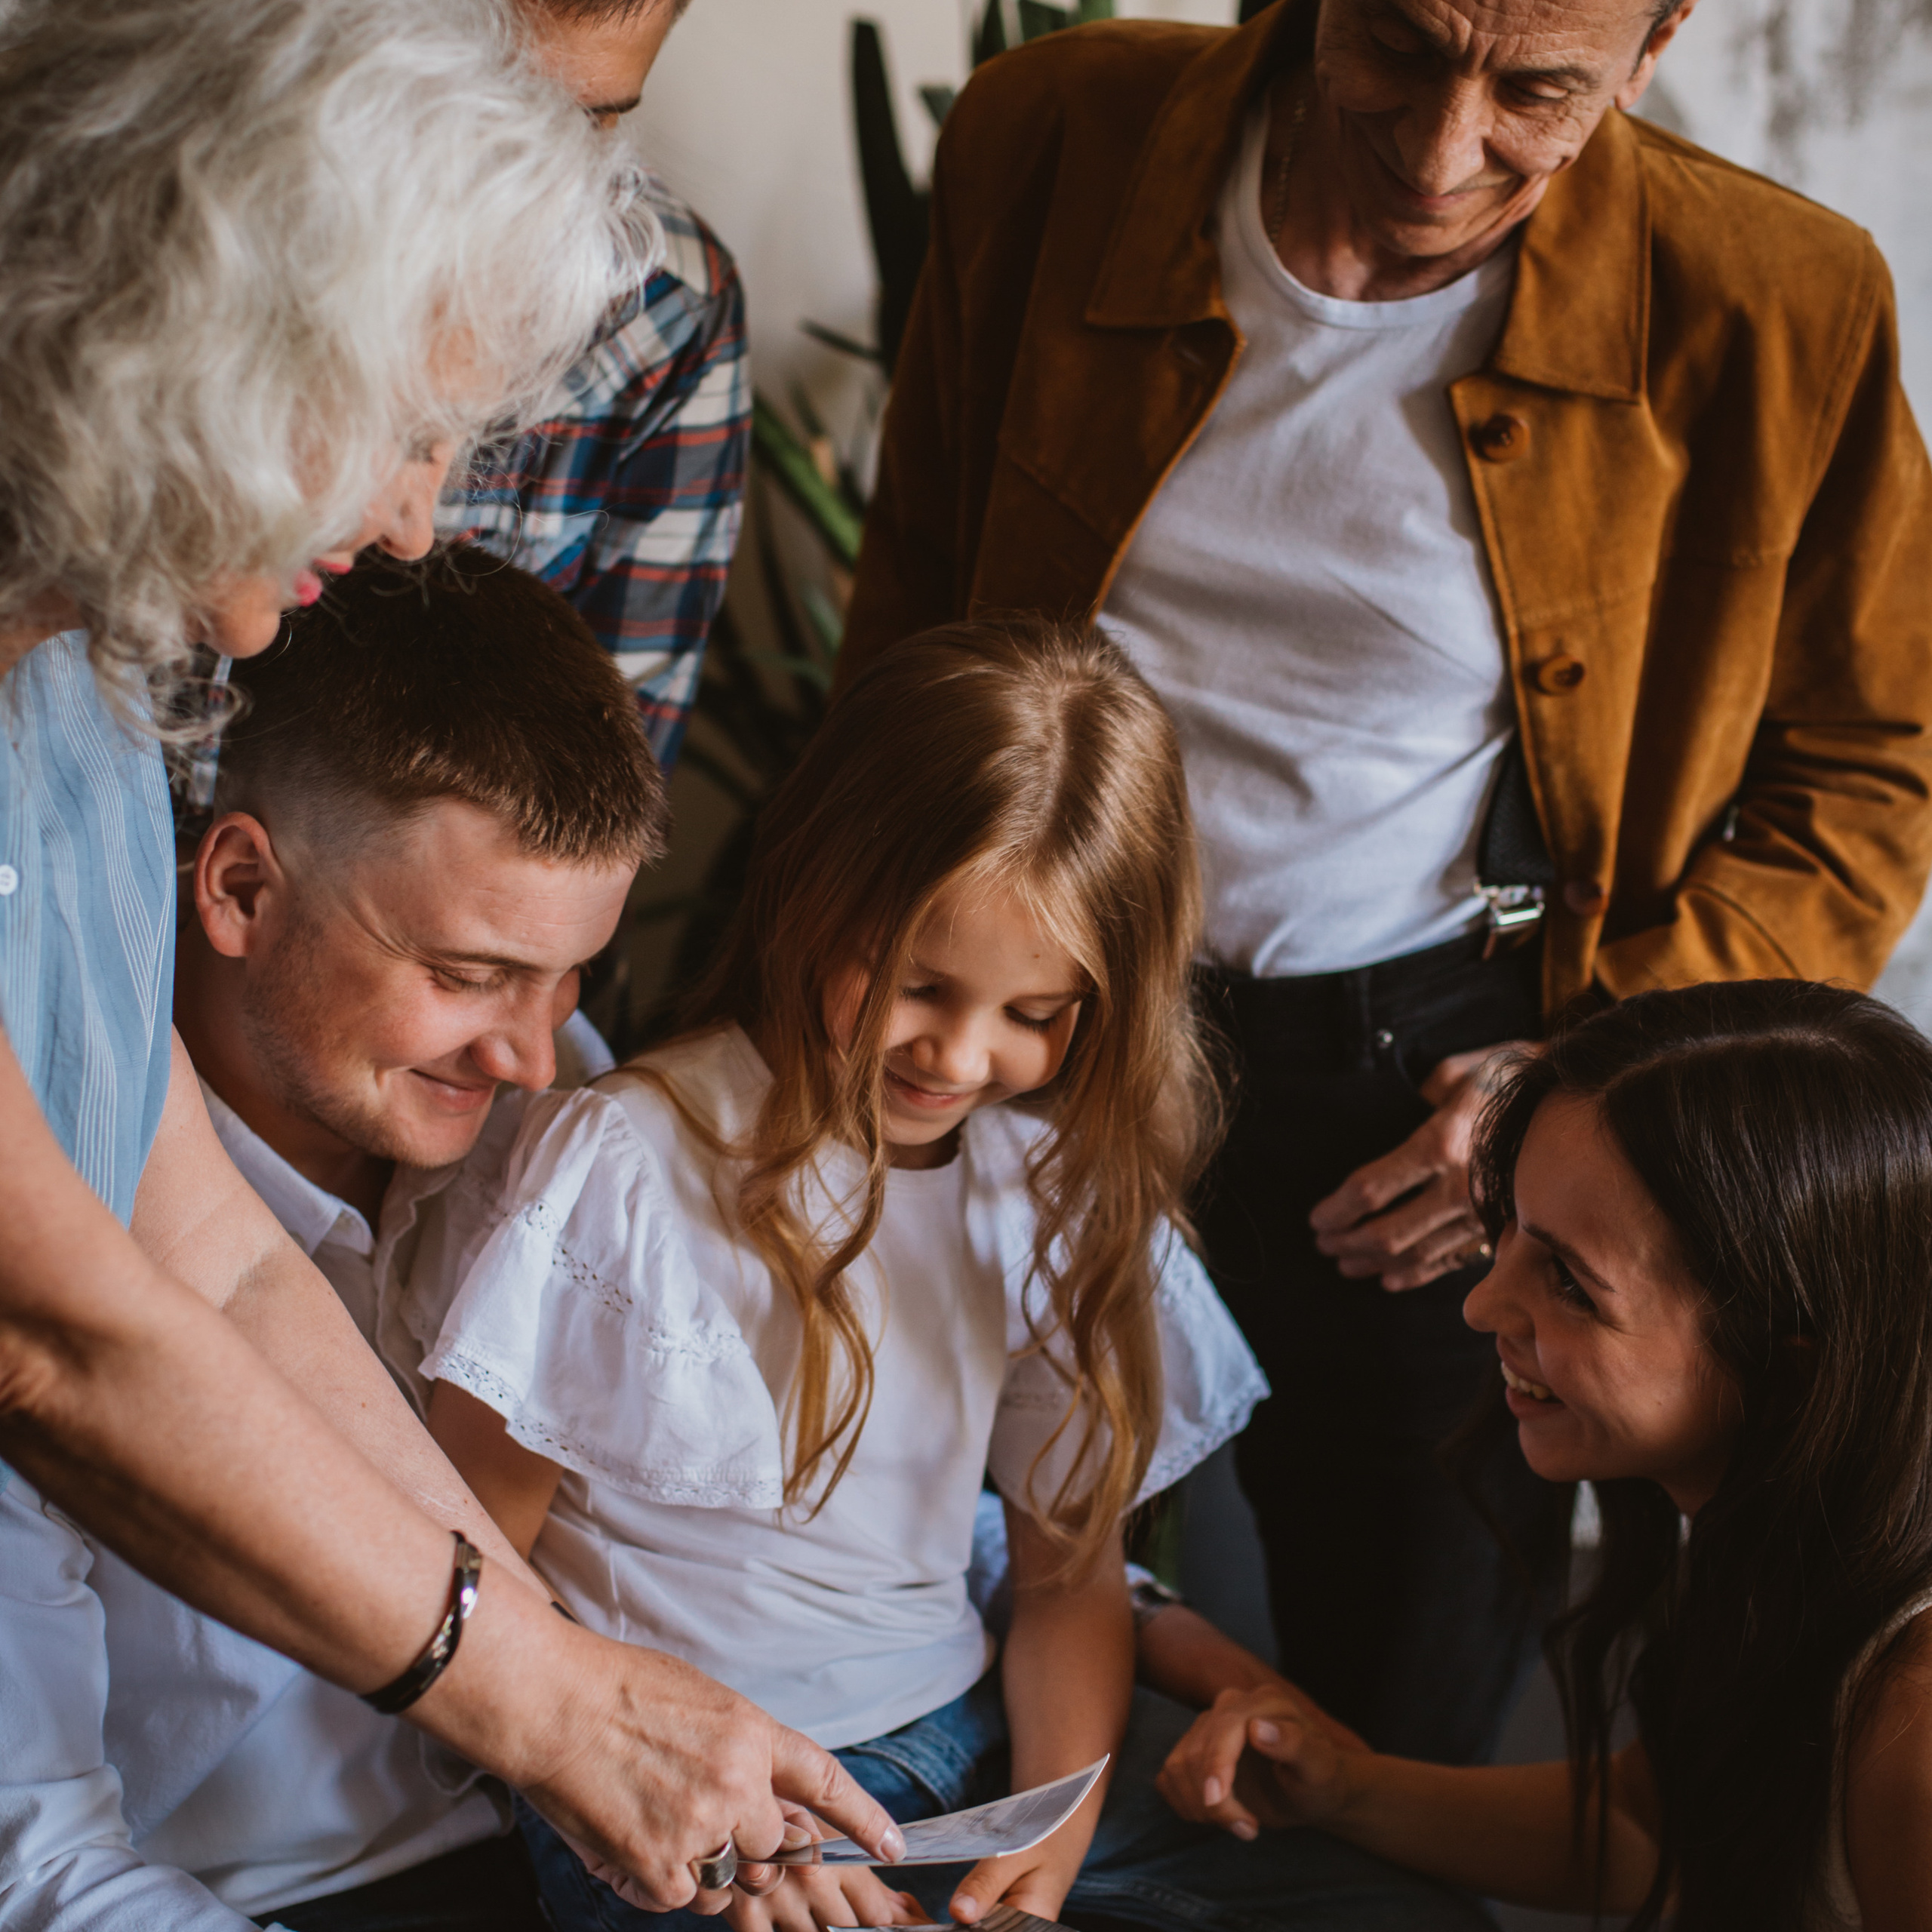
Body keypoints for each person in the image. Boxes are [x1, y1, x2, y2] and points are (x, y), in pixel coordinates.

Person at [837, 0, 1932, 1764]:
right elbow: (909, 606)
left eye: (1535, 92)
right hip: (1023, 1034)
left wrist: (1569, 1088)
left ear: (1648, 47)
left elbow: (1867, 764)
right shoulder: (1051, 137)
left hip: (1432, 1074)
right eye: (1402, 50)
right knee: (912, 1605)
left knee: (1386, 1708)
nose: (1440, 151)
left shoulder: (1769, 297)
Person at [0, 0, 898, 1906]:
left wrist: (578, 1687)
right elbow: (50, 1332)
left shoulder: (75, 682)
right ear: (206, 336)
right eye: (408, 426)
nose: (419, 516)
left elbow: (207, 1254)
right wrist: (559, 1720)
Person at [402, 620, 1490, 1932]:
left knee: (1404, 1916)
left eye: (1034, 1015)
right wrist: (733, 1831)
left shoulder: (1042, 1195)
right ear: (817, 886)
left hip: (972, 1742)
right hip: (696, 1790)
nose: (959, 1057)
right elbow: (473, 1558)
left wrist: (1050, 1846)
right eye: (919, 983)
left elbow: (1062, 1583)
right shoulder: (628, 1158)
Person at [0, 548, 666, 1932]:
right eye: (469, 977)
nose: (534, 1055)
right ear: (239, 890)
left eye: (567, 979)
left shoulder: (576, 1131)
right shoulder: (56, 1195)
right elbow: (43, 1863)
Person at [1157, 979, 1932, 1931]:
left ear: (1782, 1366)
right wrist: (1347, 1787)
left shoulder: (1914, 1719)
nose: (1482, 1307)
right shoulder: (1778, 1534)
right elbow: (1649, 1824)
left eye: (1569, 1282)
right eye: (1509, 1231)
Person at [454, 0, 746, 765]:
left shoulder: (667, 312)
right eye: (482, 106)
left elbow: (605, 772)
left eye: (588, 124)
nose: (521, 179)